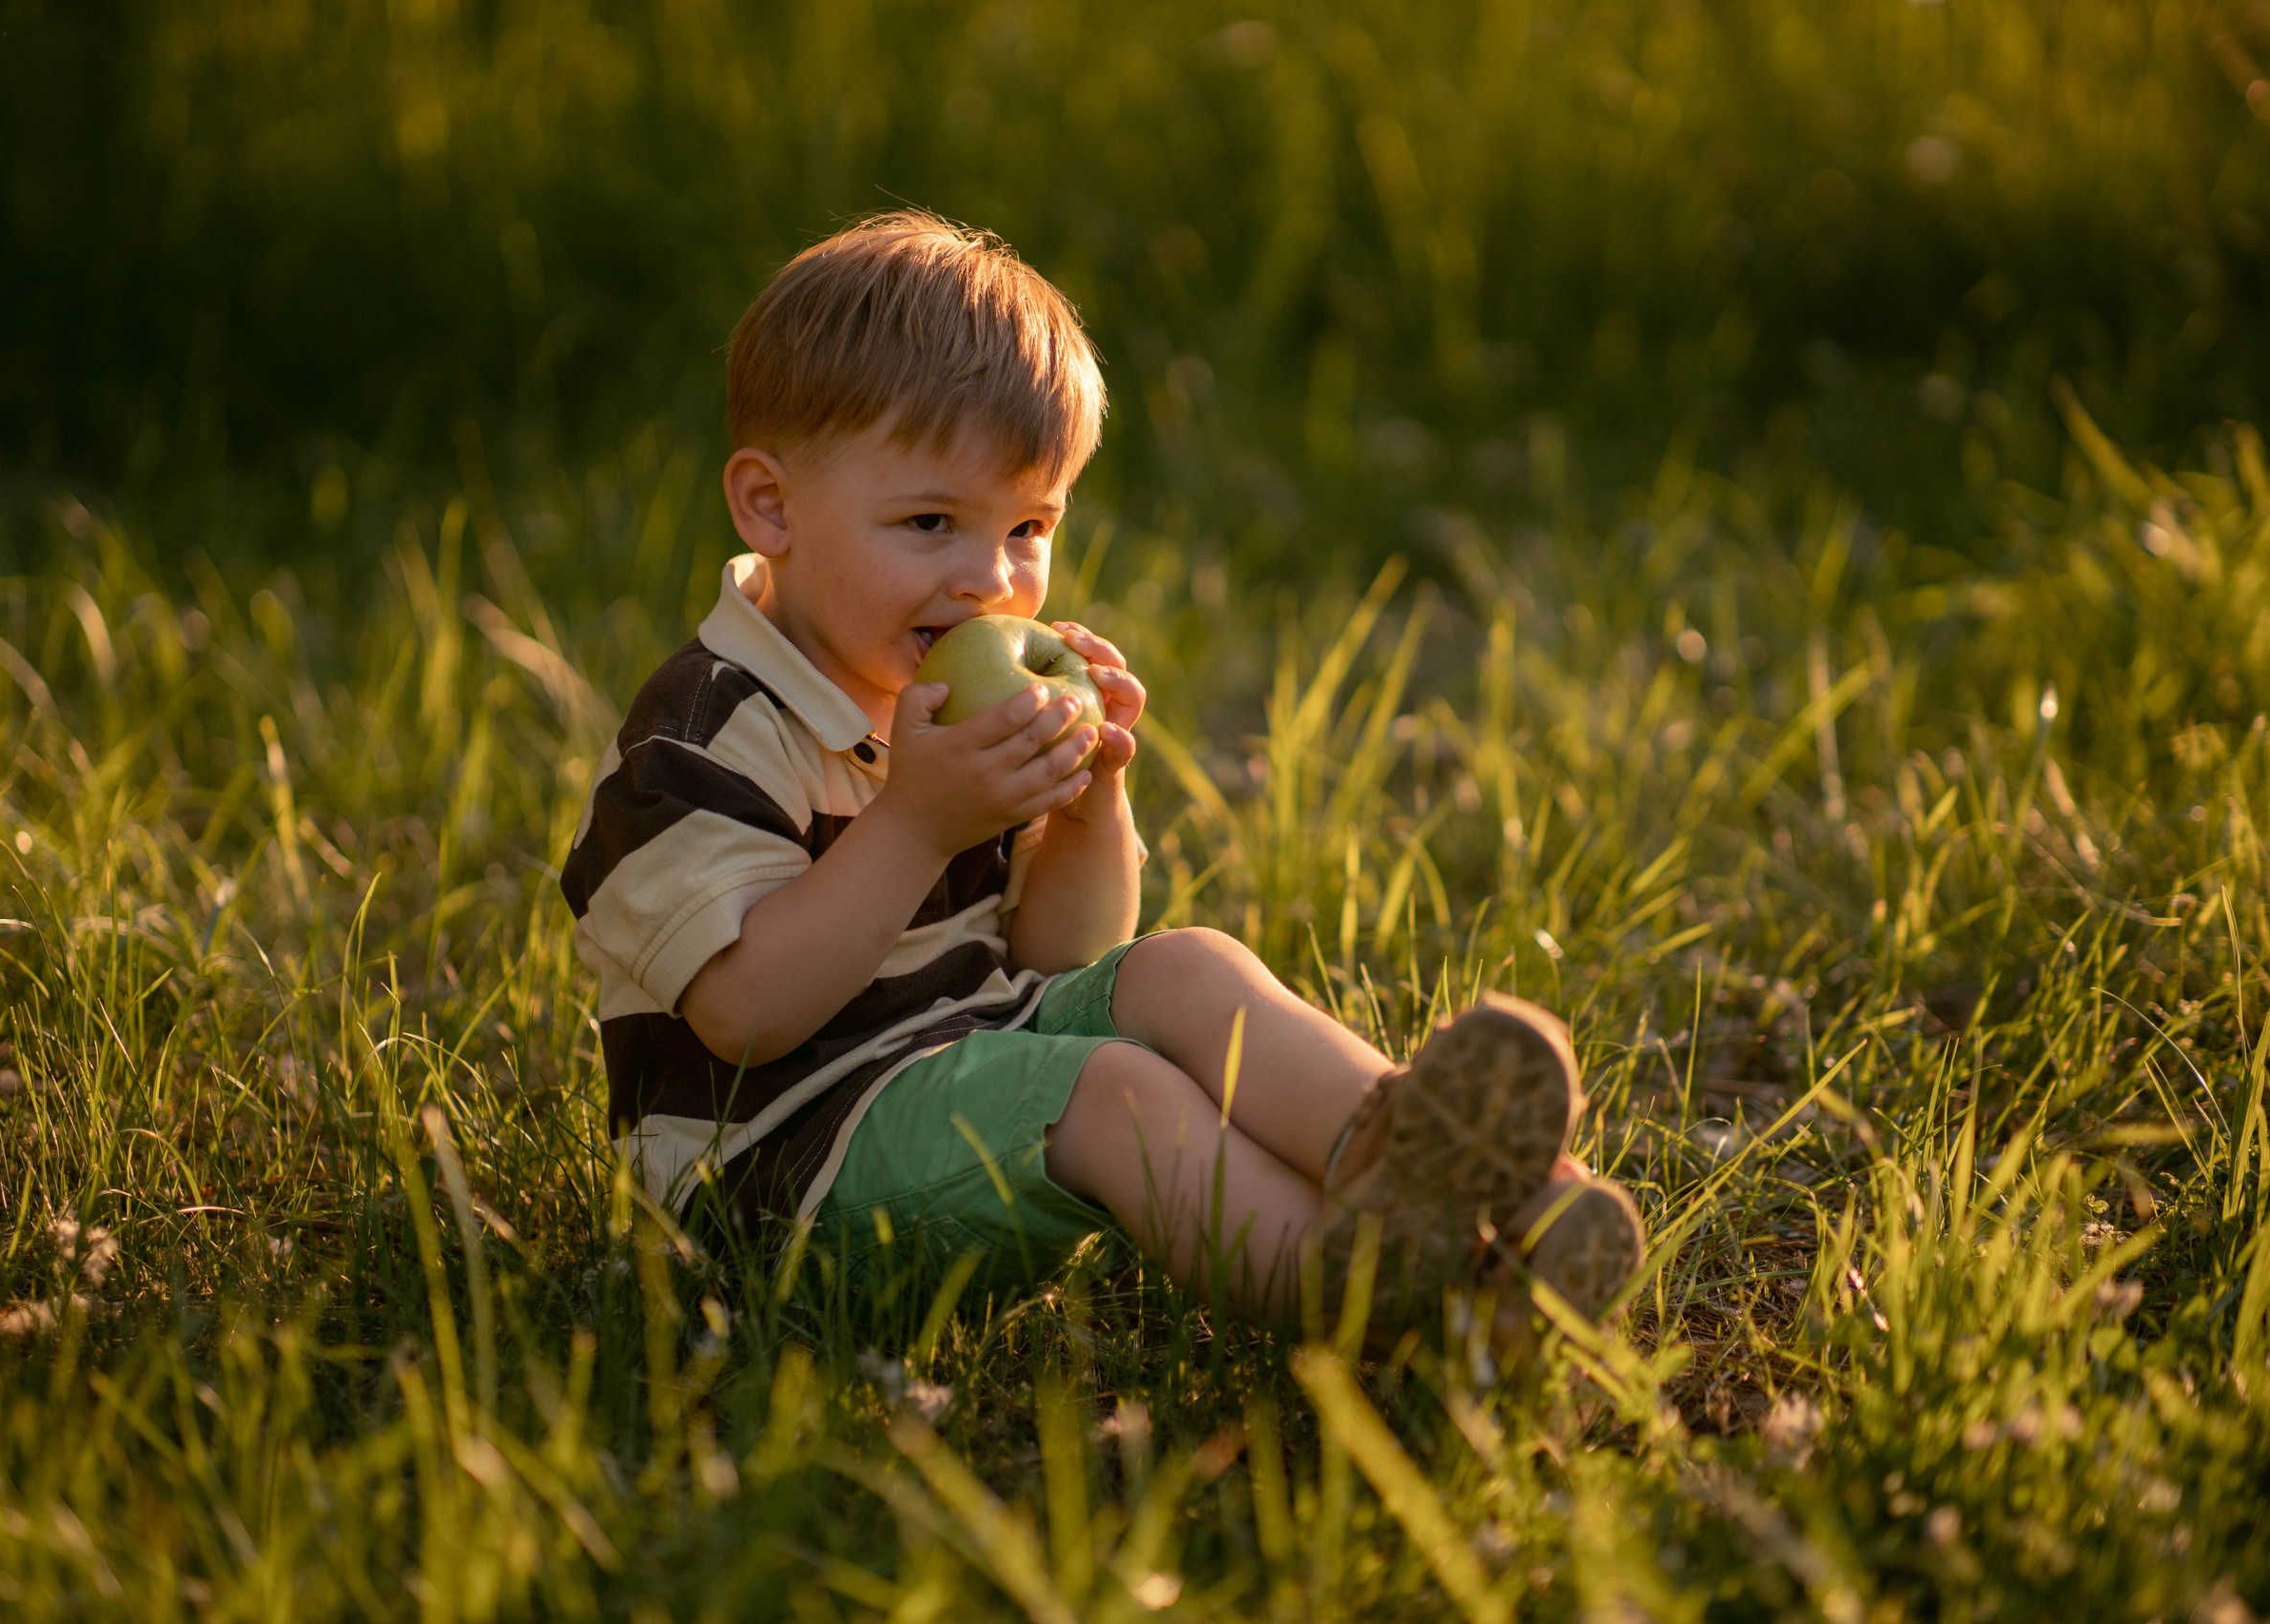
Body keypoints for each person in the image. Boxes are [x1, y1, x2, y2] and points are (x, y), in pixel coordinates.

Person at [558, 209, 1643, 1341]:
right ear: (770, 506)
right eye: (930, 520)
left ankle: (1459, 1192)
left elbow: (1057, 963)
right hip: (779, 1191)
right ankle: (1360, 1288)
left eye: (1028, 526)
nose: (988, 580)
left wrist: (1086, 807)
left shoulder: (954, 700)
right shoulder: (698, 735)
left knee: (1182, 965)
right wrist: (917, 827)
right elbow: (740, 1017)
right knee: (1112, 1093)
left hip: (959, 1081)